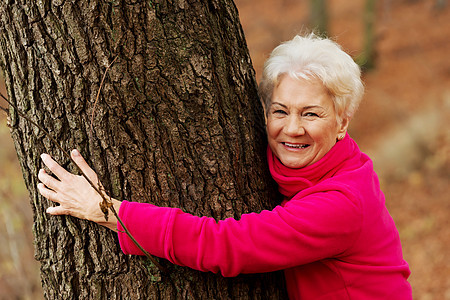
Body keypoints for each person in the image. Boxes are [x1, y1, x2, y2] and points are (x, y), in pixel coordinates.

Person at [37, 33, 412, 299]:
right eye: (280, 111)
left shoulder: (342, 201)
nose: (292, 128)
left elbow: (227, 245)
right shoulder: (312, 165)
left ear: (342, 122)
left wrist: (108, 211)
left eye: (311, 114)